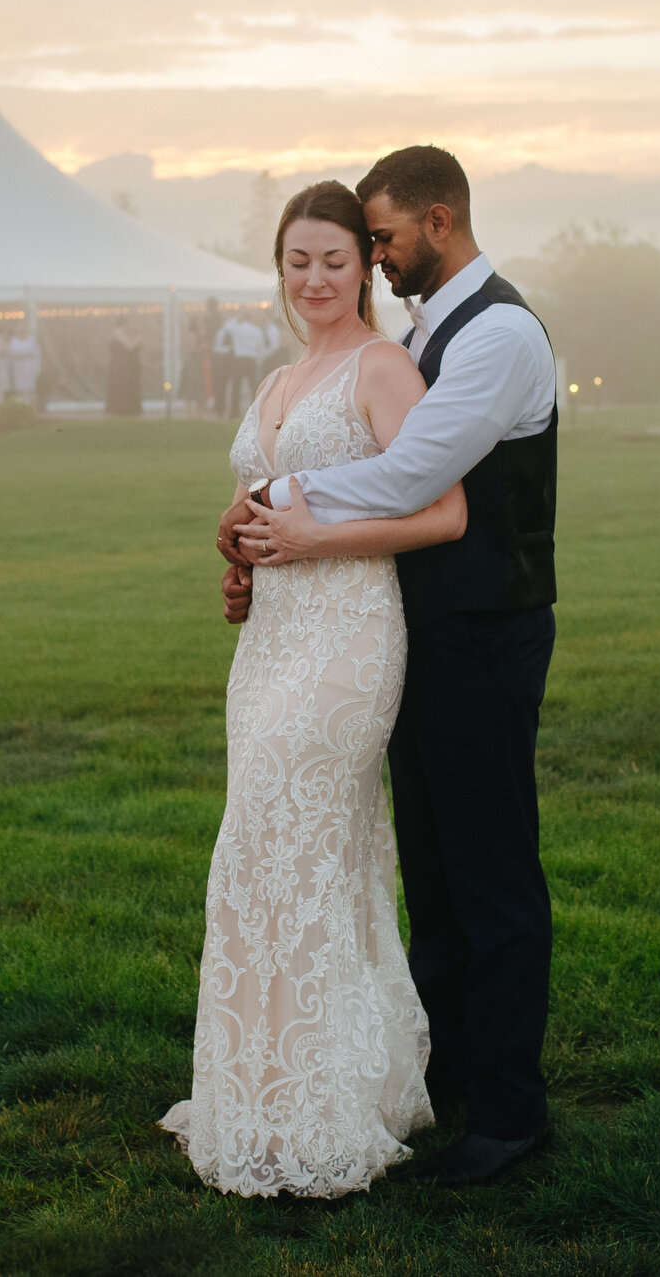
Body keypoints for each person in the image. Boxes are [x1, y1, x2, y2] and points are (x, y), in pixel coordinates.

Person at [218, 145, 558, 1189]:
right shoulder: (423, 335)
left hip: (485, 630)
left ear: (437, 221)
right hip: (407, 628)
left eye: (378, 239)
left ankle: (509, 1112)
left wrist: (279, 508)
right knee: (437, 879)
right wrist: (251, 538)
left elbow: (414, 476)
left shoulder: (496, 334)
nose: (370, 258)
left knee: (490, 875)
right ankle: (439, 1077)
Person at [162, 182, 467, 1199]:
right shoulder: (279, 377)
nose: (315, 279)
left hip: (349, 635)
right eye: (298, 261)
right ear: (281, 267)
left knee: (295, 843)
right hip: (271, 643)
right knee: (263, 851)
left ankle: (313, 1108)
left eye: (334, 259)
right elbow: (254, 501)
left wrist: (311, 542)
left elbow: (444, 511)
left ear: (365, 264)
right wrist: (237, 549)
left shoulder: (384, 367)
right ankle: (267, 1086)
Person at [214, 308, 270, 420]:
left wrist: (235, 318)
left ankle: (234, 412)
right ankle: (255, 412)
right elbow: (261, 349)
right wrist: (257, 360)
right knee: (253, 387)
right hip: (251, 360)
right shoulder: (257, 331)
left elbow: (226, 327)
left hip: (238, 360)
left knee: (236, 387)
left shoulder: (237, 329)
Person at [105, 317, 144, 416]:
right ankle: (122, 409)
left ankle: (126, 409)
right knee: (122, 385)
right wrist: (138, 339)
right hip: (121, 365)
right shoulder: (119, 332)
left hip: (125, 365)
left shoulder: (121, 332)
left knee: (125, 385)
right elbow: (128, 346)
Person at [5, 324, 42, 412]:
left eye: (23, 329)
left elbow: (34, 353)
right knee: (19, 389)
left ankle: (32, 409)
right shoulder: (13, 340)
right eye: (19, 329)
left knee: (31, 388)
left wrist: (22, 355)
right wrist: (23, 354)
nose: (21, 331)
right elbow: (10, 354)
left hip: (29, 368)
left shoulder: (32, 340)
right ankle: (20, 409)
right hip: (18, 369)